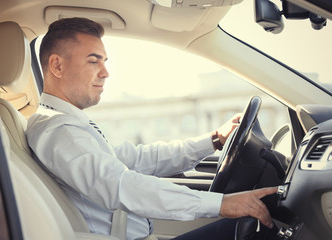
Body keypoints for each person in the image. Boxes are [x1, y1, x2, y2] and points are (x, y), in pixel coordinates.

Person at [26, 17, 277, 240]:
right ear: (57, 66)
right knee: (256, 226)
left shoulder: (67, 124)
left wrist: (212, 140)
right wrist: (222, 204)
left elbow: (135, 159)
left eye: (104, 62)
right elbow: (120, 185)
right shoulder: (60, 131)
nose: (105, 73)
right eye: (93, 61)